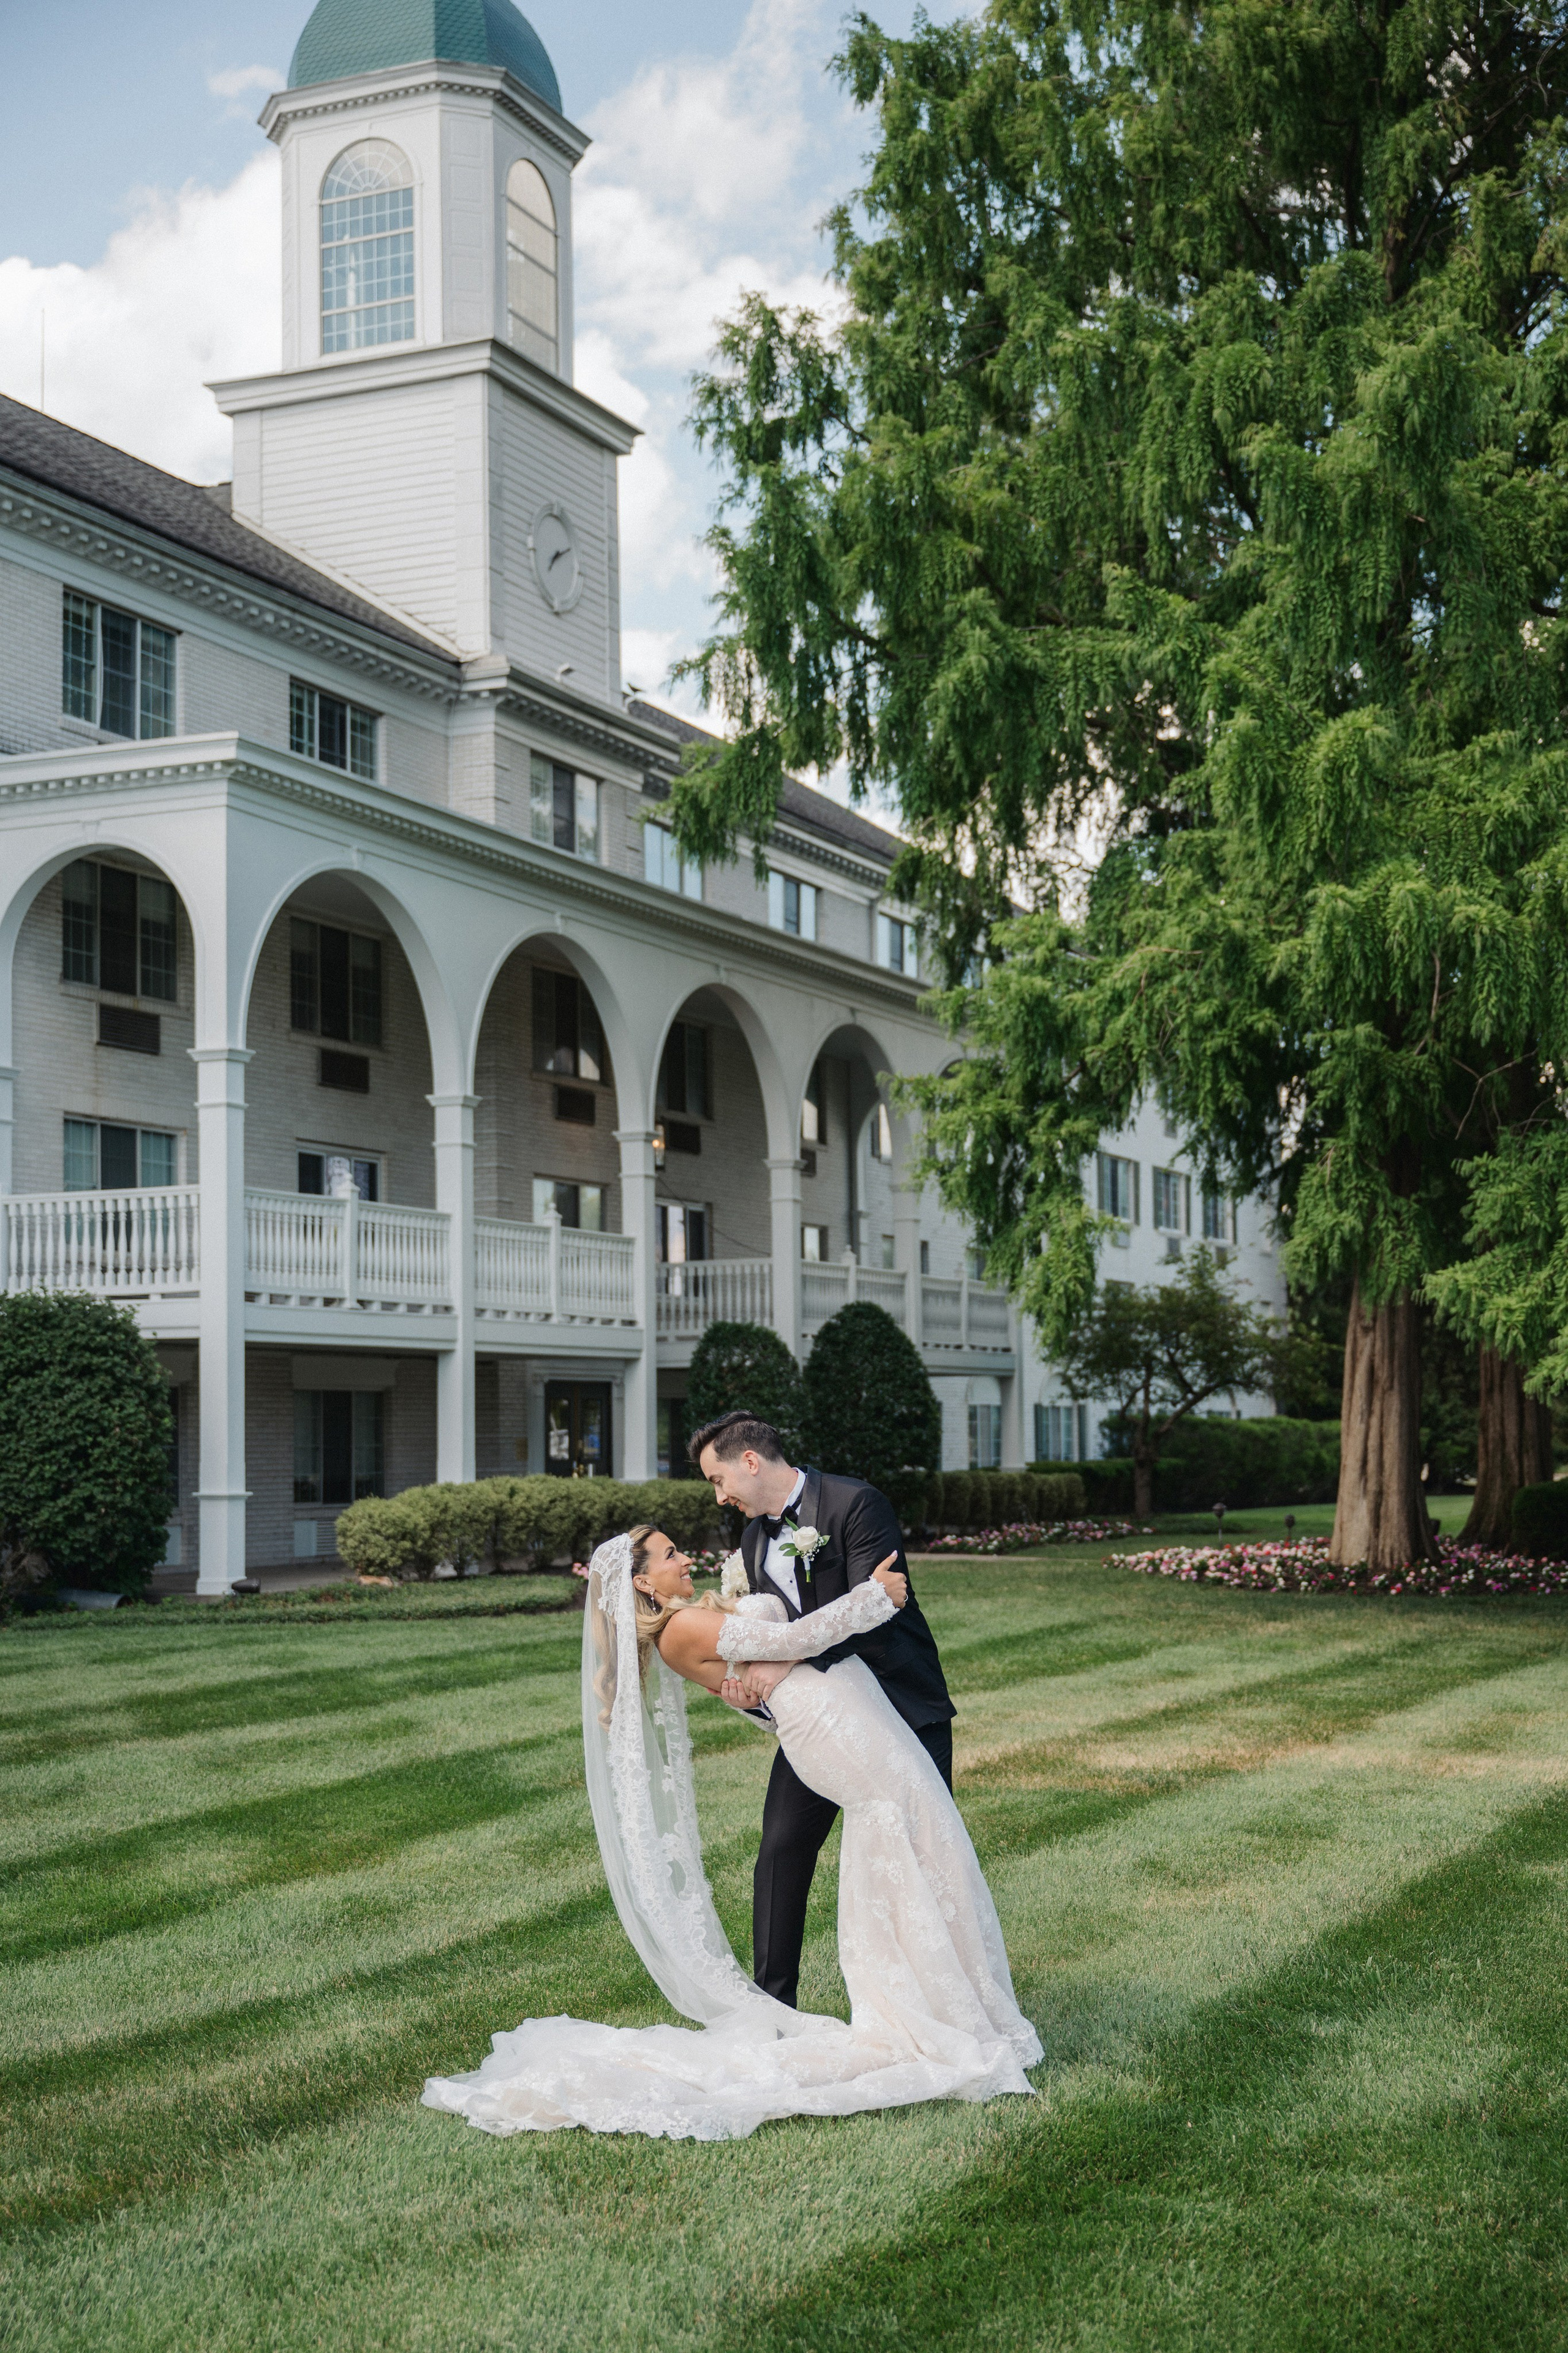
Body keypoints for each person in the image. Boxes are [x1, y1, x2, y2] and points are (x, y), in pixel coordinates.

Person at [421, 1520, 1040, 2141]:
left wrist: (765, 1677)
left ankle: (942, 2002)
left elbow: (756, 1696)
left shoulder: (690, 1621)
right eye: (669, 1555)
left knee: (915, 1835)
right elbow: (796, 1638)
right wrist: (874, 1597)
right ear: (643, 1582)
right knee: (903, 1834)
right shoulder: (681, 1629)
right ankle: (926, 2012)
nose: (684, 1559)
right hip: (832, 1724)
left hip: (839, 1711)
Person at [688, 1410, 956, 2006]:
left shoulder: (856, 1504)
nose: (719, 1496)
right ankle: (773, 2005)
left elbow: (876, 1607)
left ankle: (938, 2001)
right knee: (781, 1847)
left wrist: (783, 1660)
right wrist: (753, 1692)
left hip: (902, 1703)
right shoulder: (753, 1540)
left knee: (926, 1855)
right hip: (824, 1719)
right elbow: (770, 1634)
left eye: (718, 1479)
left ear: (749, 1461)